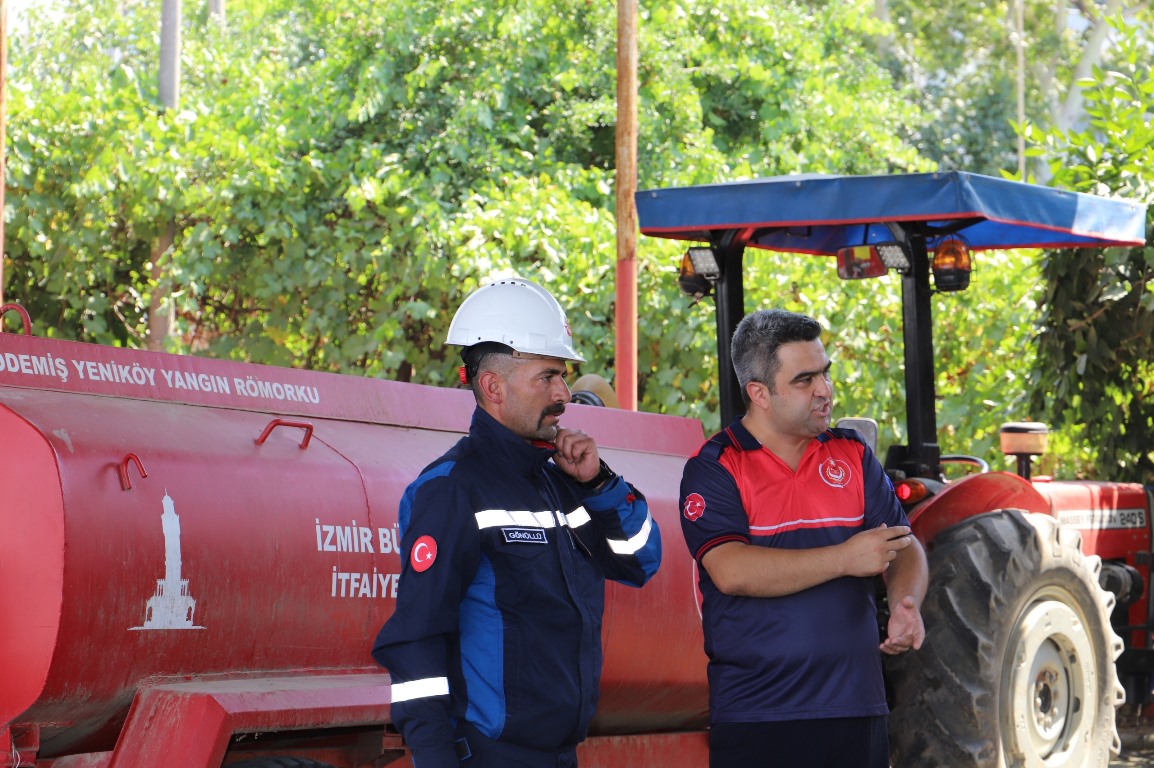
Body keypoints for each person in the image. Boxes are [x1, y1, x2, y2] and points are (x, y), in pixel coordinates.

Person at [372, 277, 662, 768]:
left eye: (563, 376)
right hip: (489, 756)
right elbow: (416, 640)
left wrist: (598, 483)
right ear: (493, 387)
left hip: (559, 755)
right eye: (547, 377)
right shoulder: (452, 489)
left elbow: (640, 562)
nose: (564, 393)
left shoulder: (561, 479)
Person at [678, 308, 928, 768]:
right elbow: (731, 570)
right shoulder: (715, 467)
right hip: (760, 715)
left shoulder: (852, 455)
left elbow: (904, 545)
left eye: (825, 374)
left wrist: (906, 601)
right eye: (804, 380)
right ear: (759, 393)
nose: (825, 391)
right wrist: (845, 558)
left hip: (858, 706)